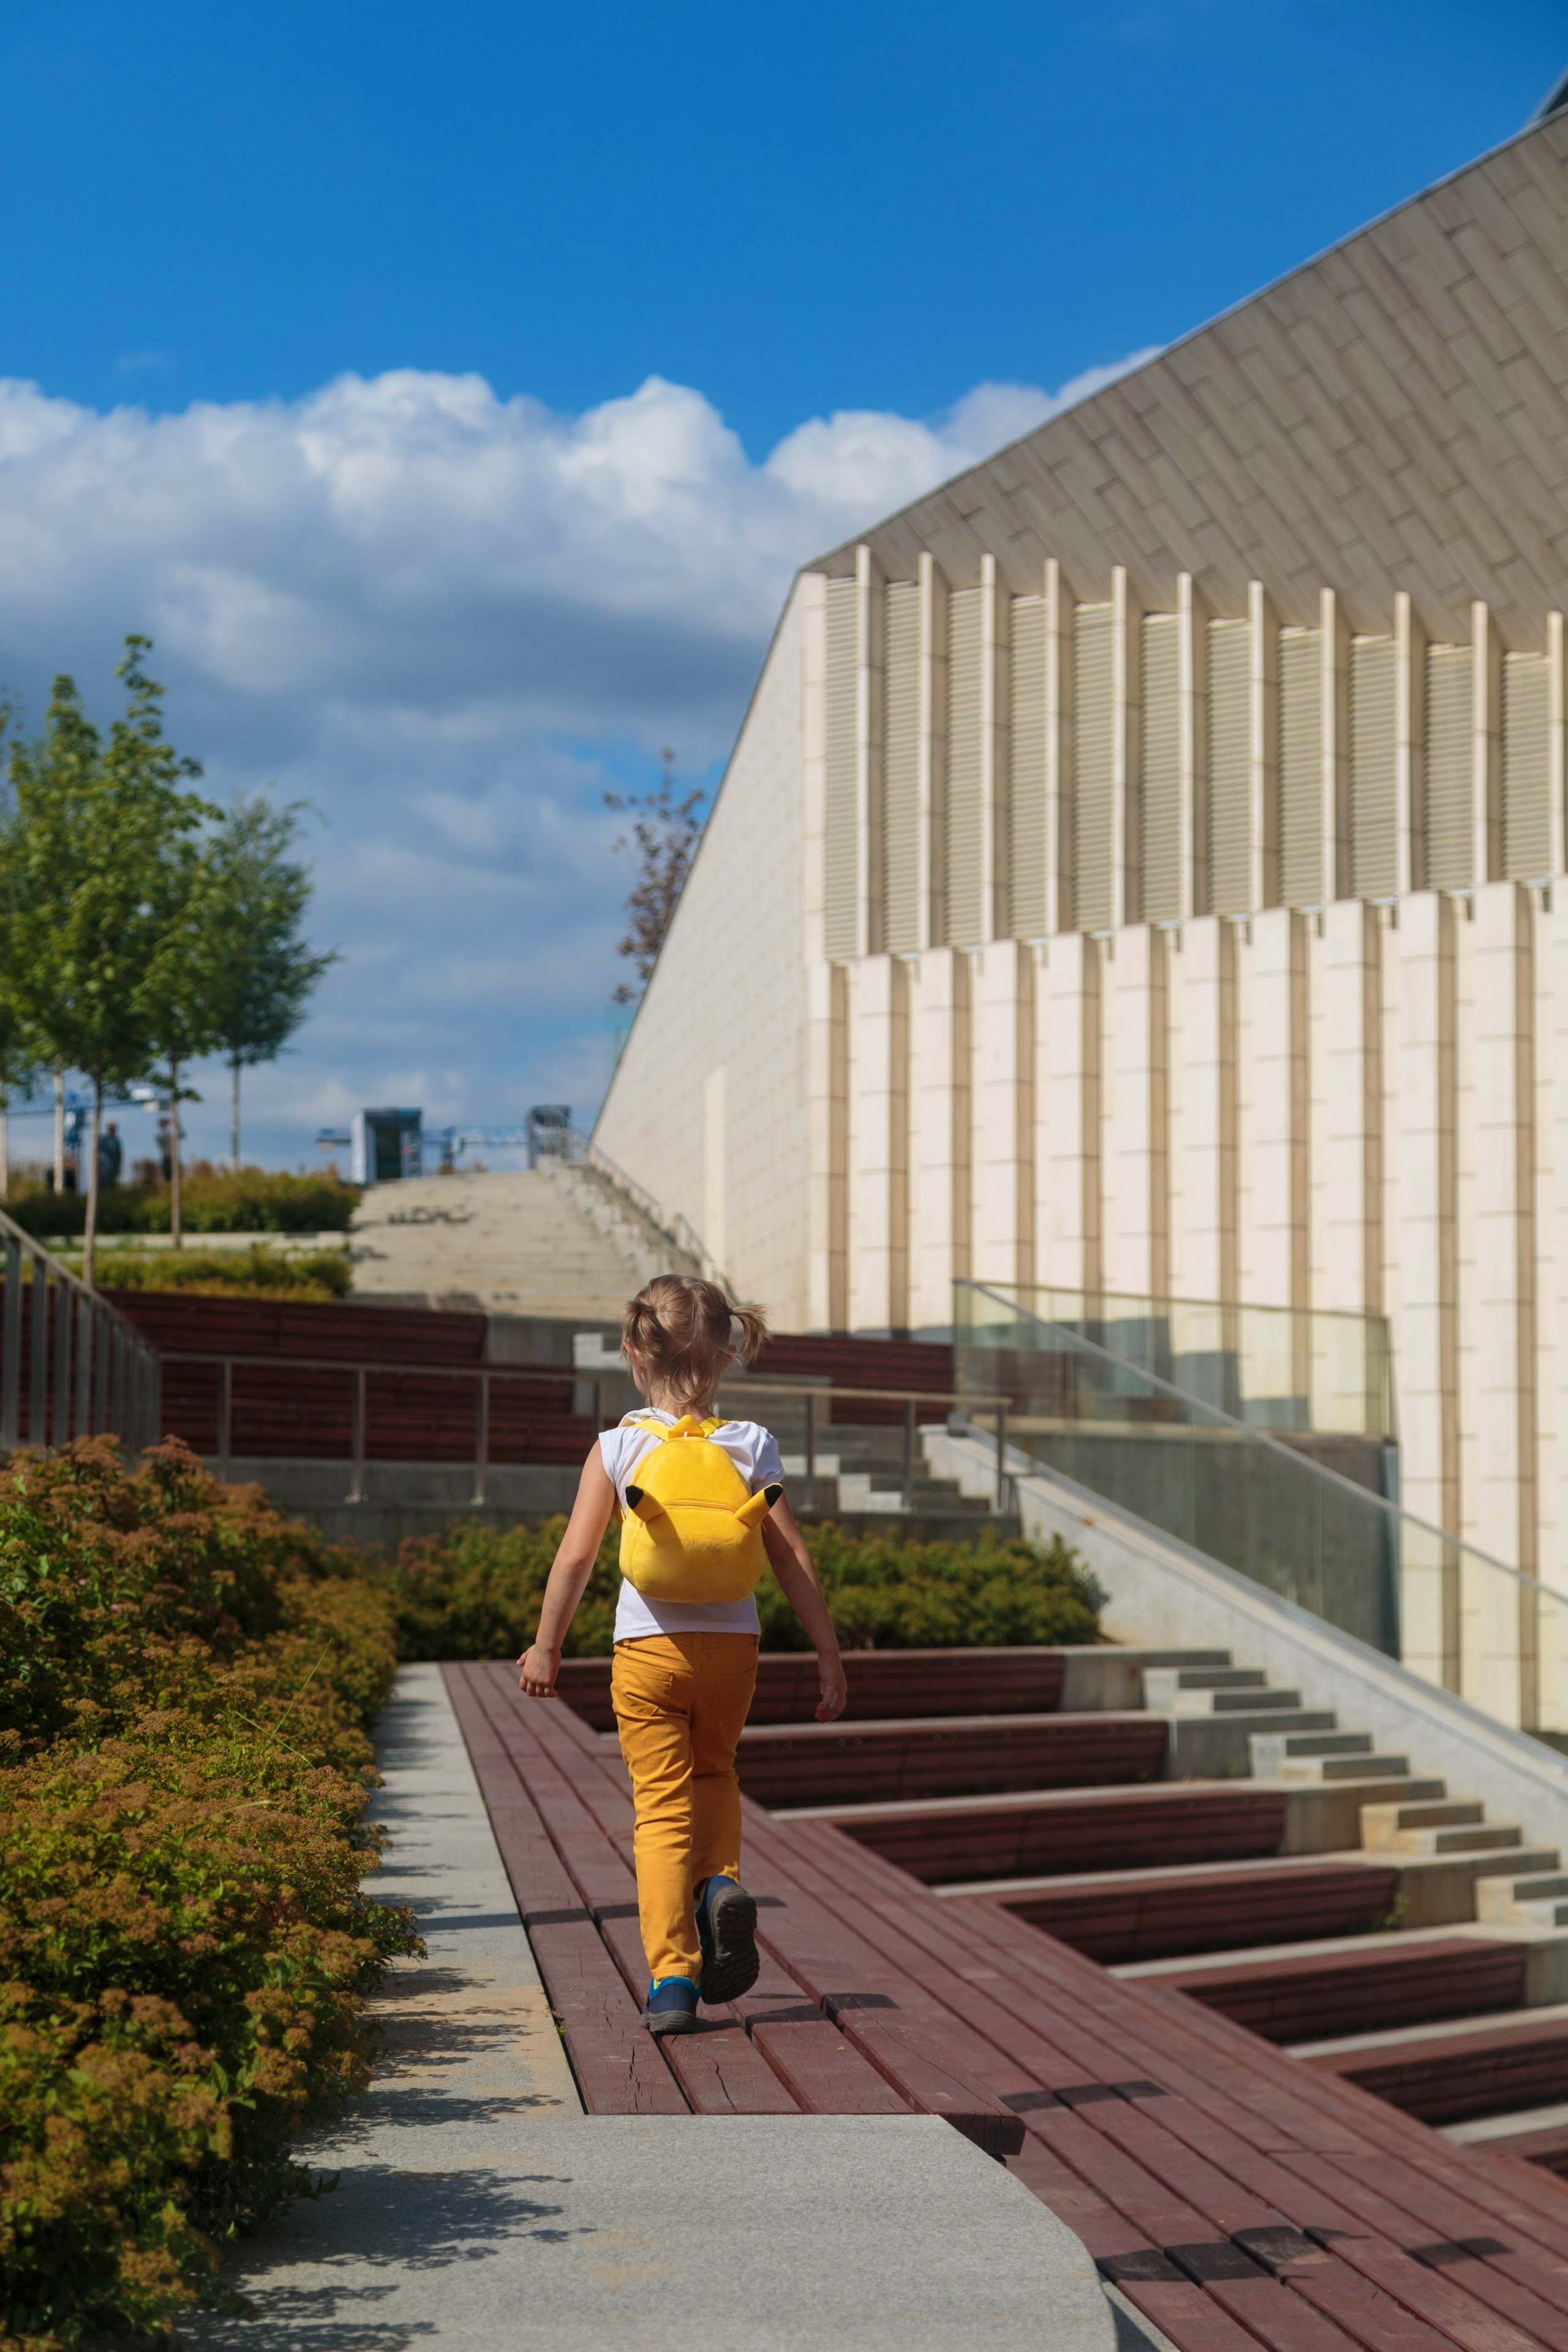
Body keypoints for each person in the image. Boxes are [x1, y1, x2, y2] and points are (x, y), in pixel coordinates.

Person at [518, 1274, 847, 2037]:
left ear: (635, 1352)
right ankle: (720, 1883)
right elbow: (793, 1559)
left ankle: (672, 1978)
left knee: (660, 1809)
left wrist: (547, 1646)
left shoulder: (619, 1444)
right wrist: (829, 1657)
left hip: (646, 1650)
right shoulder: (751, 1444)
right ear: (729, 1354)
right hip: (733, 1648)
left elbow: (575, 1559)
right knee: (716, 1772)